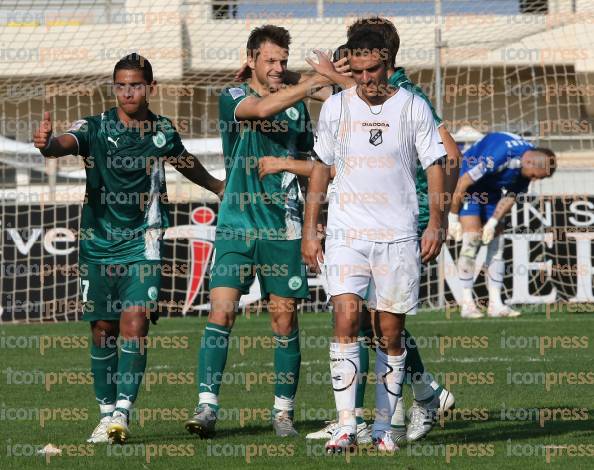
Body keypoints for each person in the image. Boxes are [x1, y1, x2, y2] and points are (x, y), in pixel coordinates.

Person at [32, 53, 224, 444]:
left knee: (133, 325)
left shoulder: (162, 131)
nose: (128, 92)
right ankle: (105, 414)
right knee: (102, 329)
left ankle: (122, 411)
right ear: (114, 87)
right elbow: (65, 143)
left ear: (150, 87)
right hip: (98, 242)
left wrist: (218, 187)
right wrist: (48, 145)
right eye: (121, 85)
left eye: (135, 84)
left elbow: (185, 162)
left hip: (145, 240)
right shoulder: (96, 127)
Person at [302, 31, 447, 452]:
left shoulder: (412, 106)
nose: (366, 79)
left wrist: (435, 221)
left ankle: (386, 427)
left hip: (398, 234)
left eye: (374, 70)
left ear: (388, 65)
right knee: (345, 318)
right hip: (347, 232)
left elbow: (436, 165)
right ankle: (348, 425)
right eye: (359, 71)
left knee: (390, 332)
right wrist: (312, 230)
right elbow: (319, 169)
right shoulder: (335, 107)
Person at [185, 24, 331, 438]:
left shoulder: (297, 105)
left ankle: (283, 412)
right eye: (270, 60)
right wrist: (314, 81)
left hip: (284, 227)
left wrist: (313, 218)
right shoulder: (232, 96)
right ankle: (207, 406)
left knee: (284, 321)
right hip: (237, 223)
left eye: (283, 61)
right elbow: (261, 110)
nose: (278, 67)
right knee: (222, 312)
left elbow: (317, 166)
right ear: (251, 60)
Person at [448, 132, 556, 319]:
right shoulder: (498, 156)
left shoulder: (525, 169)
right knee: (471, 241)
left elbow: (510, 197)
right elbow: (462, 183)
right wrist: (452, 217)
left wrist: (493, 222)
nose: (536, 180)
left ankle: (496, 304)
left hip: (492, 190)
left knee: (497, 246)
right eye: (538, 176)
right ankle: (467, 304)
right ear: (530, 163)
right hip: (469, 185)